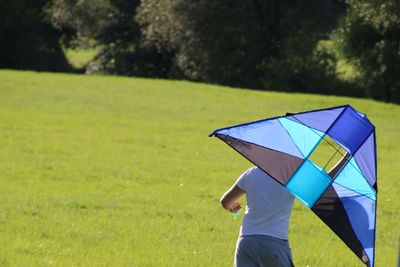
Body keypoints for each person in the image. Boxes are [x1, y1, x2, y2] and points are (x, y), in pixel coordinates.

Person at [220, 153, 350, 267]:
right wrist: (347, 157)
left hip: (246, 242)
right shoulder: (290, 176)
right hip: (274, 243)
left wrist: (233, 206)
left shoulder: (250, 173)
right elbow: (324, 183)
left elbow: (225, 201)